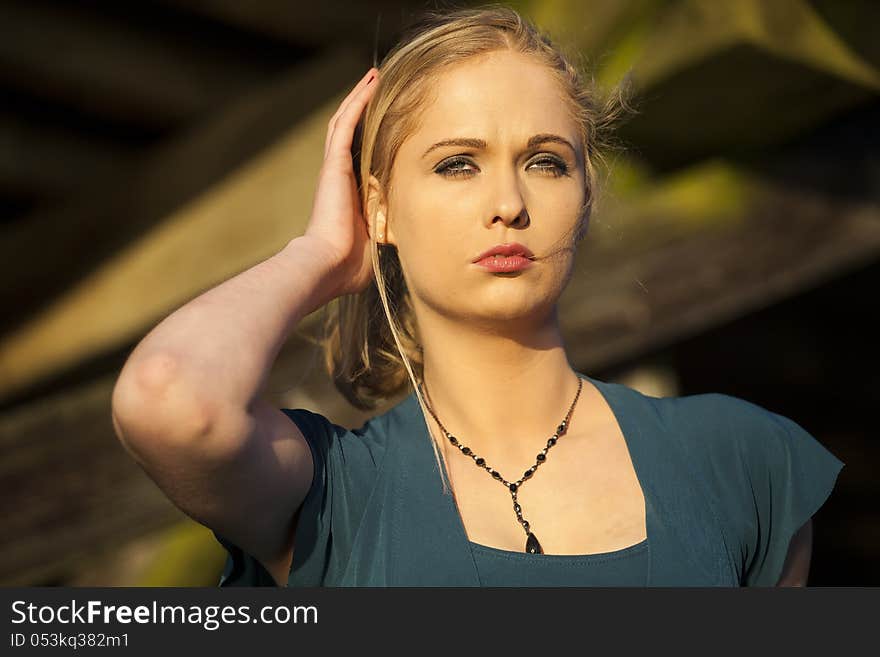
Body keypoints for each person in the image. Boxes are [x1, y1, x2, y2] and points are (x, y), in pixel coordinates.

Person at [110, 5, 844, 587]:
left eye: (546, 163)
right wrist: (322, 253)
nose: (508, 202)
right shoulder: (337, 489)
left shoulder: (746, 459)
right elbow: (168, 398)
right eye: (458, 164)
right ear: (381, 208)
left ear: (585, 197)